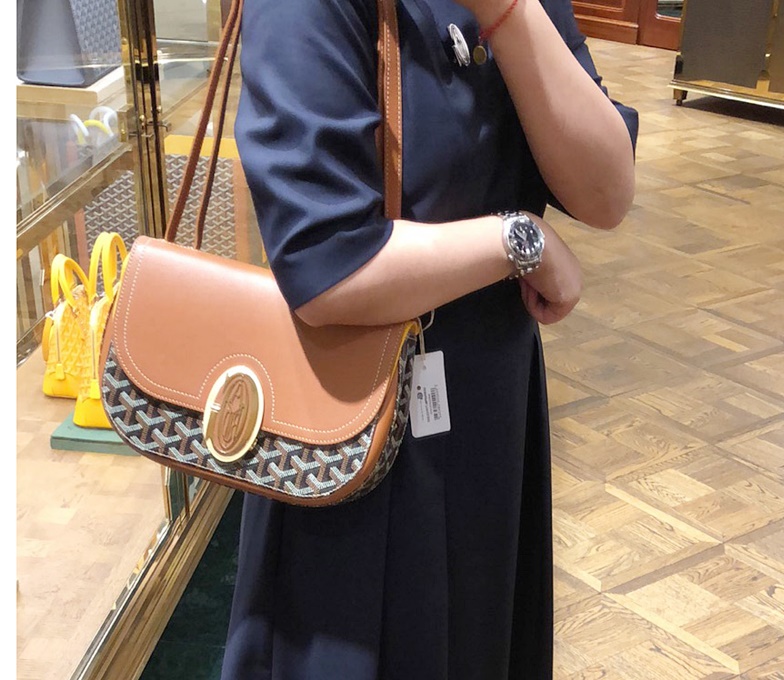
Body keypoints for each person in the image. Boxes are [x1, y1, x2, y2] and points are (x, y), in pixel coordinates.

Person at [220, 0, 637, 678]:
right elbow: (326, 262)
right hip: (354, 425)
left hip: (485, 415)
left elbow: (606, 192)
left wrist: (506, 12)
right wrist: (517, 241)